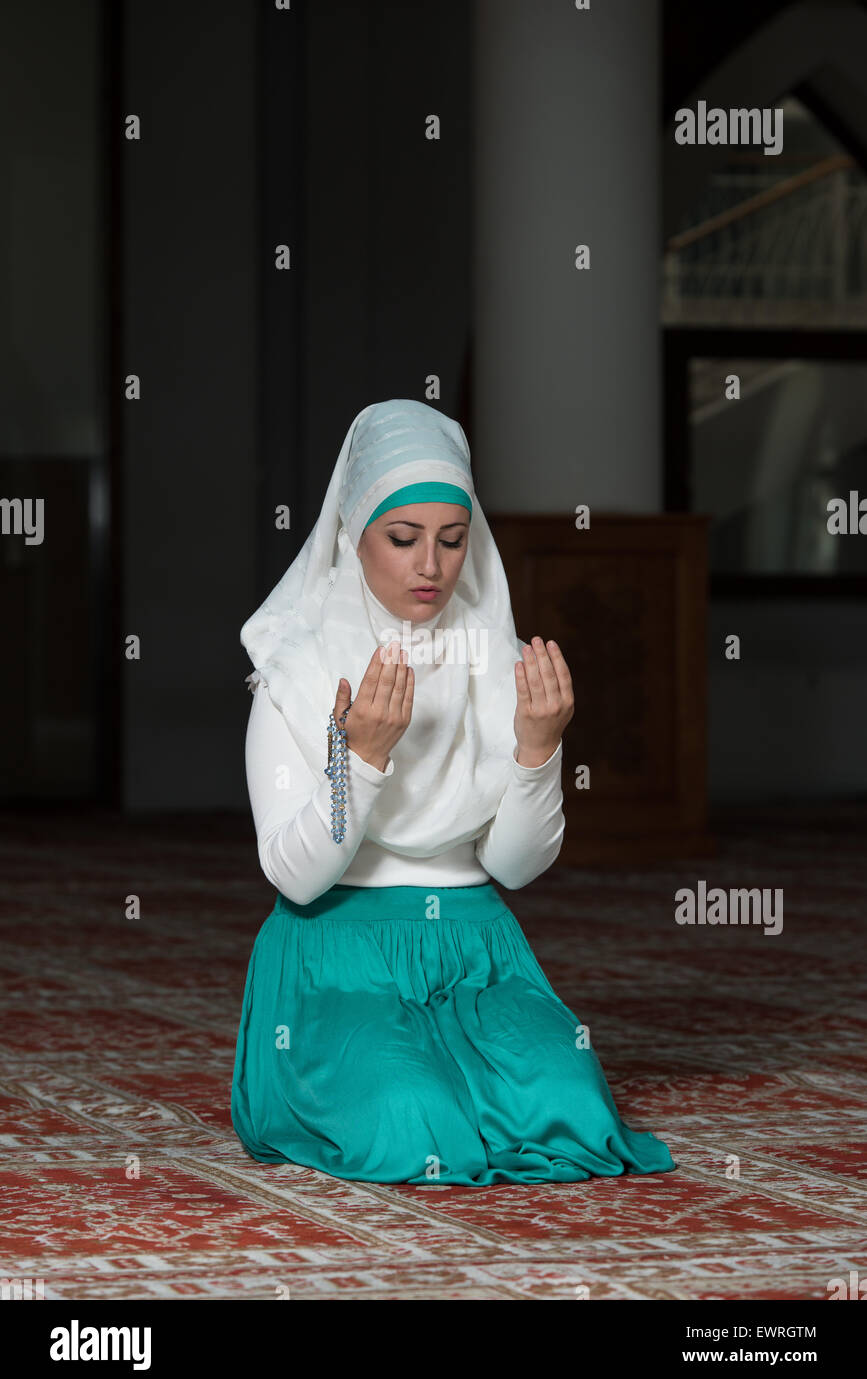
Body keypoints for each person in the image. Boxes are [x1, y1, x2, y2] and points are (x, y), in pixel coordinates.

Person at [231, 398, 676, 1186]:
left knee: (570, 1110)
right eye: (402, 540)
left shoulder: (490, 655)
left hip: (476, 948)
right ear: (351, 534)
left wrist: (538, 751)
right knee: (410, 1121)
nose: (431, 567)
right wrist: (359, 761)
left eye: (452, 539)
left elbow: (515, 866)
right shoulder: (294, 669)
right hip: (338, 952)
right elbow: (295, 876)